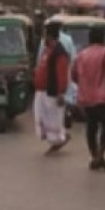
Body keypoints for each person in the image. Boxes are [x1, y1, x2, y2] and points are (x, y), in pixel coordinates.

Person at [72, 26, 105, 171]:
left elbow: (74, 75)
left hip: (86, 97)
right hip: (103, 97)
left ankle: (96, 157)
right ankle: (100, 155)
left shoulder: (81, 54)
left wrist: (84, 85)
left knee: (91, 128)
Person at [33, 25, 71, 154]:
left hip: (52, 92)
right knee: (41, 117)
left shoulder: (60, 53)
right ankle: (57, 138)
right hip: (41, 90)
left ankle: (60, 139)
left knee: (53, 119)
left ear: (49, 36)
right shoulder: (47, 50)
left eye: (45, 35)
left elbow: (62, 73)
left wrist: (61, 92)